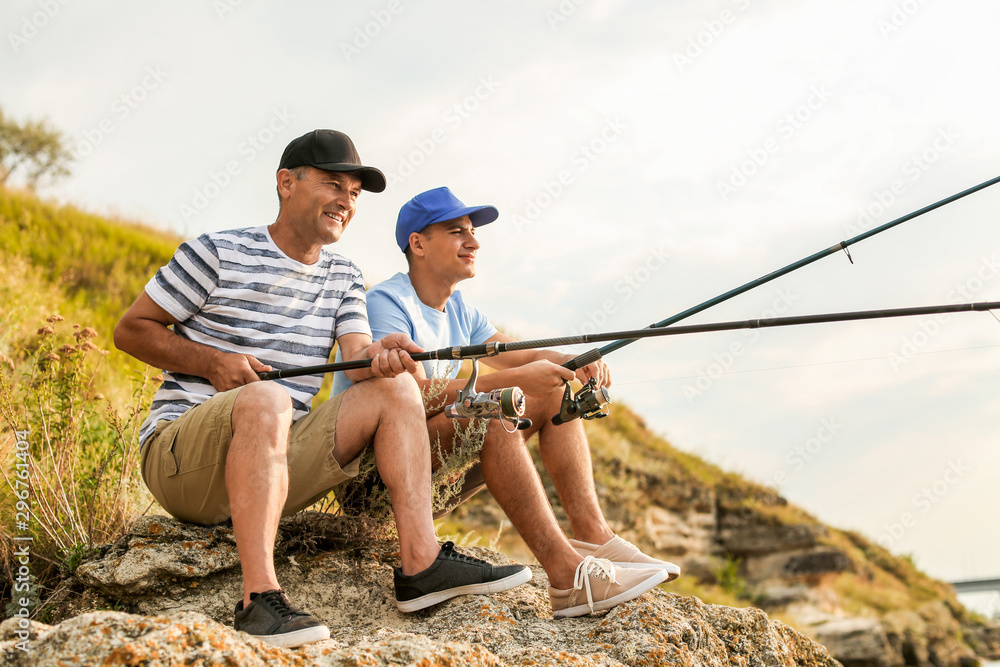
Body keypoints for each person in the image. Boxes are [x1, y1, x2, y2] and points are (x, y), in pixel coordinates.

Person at [114, 133, 531, 648]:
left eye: (355, 193)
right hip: (182, 462)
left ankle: (421, 566)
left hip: (274, 459)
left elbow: (359, 359)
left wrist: (385, 352)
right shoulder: (216, 251)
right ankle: (258, 600)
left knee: (394, 385)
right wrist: (213, 362)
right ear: (286, 183)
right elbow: (130, 329)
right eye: (334, 183)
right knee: (270, 397)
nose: (346, 201)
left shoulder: (344, 276)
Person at [332, 186, 680, 618]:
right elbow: (405, 398)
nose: (473, 242)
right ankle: (567, 576)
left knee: (553, 391)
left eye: (473, 232)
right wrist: (514, 381)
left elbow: (524, 354)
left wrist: (574, 362)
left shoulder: (460, 310)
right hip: (374, 480)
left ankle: (595, 536)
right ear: (417, 243)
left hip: (430, 465)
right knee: (495, 411)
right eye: (456, 231)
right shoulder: (388, 301)